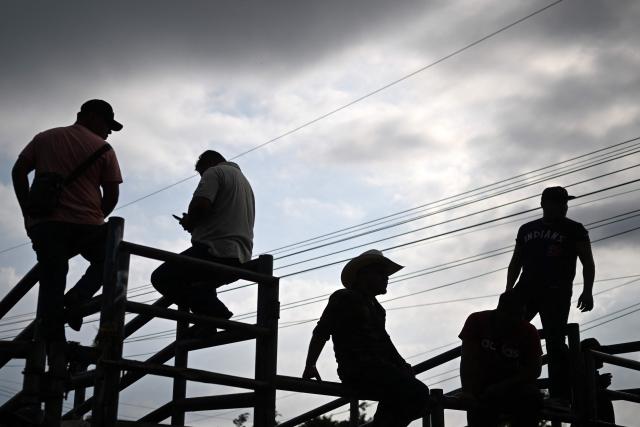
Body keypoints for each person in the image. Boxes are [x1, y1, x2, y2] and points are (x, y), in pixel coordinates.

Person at [11, 99, 123, 344]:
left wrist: (27, 212)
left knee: (52, 283)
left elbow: (19, 170)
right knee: (110, 261)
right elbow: (112, 195)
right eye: (107, 125)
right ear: (91, 117)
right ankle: (78, 297)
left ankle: (55, 355)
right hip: (88, 226)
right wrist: (95, 216)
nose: (108, 132)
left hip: (47, 225)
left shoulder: (45, 138)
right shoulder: (104, 149)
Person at [302, 249, 430, 427]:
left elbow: (385, 343)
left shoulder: (378, 309)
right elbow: (322, 331)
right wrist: (310, 364)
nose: (386, 278)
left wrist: (403, 365)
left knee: (419, 398)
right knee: (417, 393)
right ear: (363, 275)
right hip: (358, 369)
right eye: (380, 273)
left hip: (381, 369)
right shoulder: (344, 297)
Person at [506, 186, 595, 400]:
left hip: (556, 292)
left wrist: (587, 291)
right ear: (544, 204)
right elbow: (516, 261)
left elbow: (587, 262)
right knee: (508, 333)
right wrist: (509, 291)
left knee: (555, 342)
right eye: (558, 203)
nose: (563, 207)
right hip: (526, 289)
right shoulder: (526, 229)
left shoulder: (575, 229)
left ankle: (561, 396)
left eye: (564, 203)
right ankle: (512, 386)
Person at [150, 150, 255, 324]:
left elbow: (201, 205)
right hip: (240, 255)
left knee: (162, 278)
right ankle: (205, 324)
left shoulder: (214, 172)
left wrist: (190, 222)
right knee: (200, 286)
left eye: (201, 173)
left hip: (214, 251)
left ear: (209, 163)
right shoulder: (244, 182)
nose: (202, 178)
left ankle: (216, 313)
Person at [459, 291, 543, 427]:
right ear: (500, 310)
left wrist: (502, 386)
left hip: (514, 387)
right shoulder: (477, 321)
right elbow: (467, 359)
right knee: (479, 406)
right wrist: (467, 391)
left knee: (532, 397)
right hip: (481, 387)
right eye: (514, 315)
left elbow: (535, 370)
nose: (519, 320)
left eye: (522, 315)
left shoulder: (528, 330)